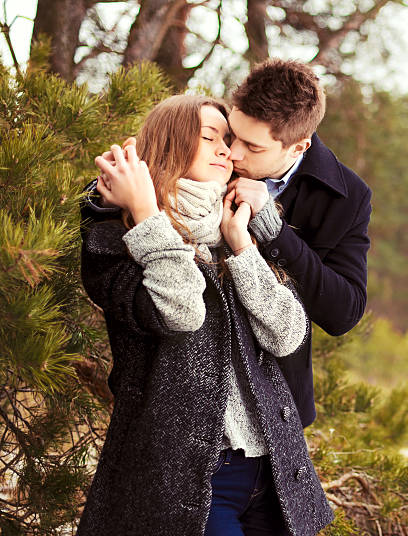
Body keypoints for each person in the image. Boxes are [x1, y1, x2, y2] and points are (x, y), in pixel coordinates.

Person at [72, 94, 334, 536]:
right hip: (192, 471)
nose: (228, 150)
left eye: (229, 140)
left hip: (270, 471)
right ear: (171, 142)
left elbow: (287, 333)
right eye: (210, 136)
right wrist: (148, 212)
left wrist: (242, 249)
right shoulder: (117, 234)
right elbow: (180, 312)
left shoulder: (236, 223)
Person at [85, 58, 373, 432]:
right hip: (175, 410)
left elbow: (342, 312)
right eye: (230, 135)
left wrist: (273, 230)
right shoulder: (217, 147)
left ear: (297, 147)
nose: (232, 153)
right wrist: (106, 198)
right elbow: (153, 172)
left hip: (272, 405)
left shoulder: (345, 197)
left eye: (251, 147)